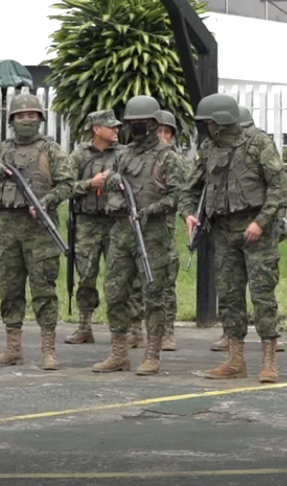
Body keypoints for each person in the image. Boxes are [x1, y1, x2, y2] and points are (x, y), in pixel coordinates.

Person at [182, 93, 287, 383]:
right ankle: (235, 360)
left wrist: (260, 222)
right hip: (222, 230)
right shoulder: (208, 149)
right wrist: (188, 213)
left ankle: (269, 361)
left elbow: (278, 187)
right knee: (229, 297)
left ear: (223, 121)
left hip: (256, 230)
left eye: (210, 122)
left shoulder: (259, 144)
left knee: (263, 295)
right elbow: (190, 188)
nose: (207, 128)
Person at [91, 97, 187, 375]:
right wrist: (112, 180)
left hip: (154, 234)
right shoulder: (124, 154)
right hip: (123, 231)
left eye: (141, 123)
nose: (136, 128)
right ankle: (119, 352)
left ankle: (153, 354)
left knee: (154, 294)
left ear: (154, 123)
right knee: (115, 291)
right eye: (132, 124)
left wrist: (151, 210)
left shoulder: (168, 157)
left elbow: (178, 195)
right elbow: (112, 180)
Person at [0, 94, 74, 371]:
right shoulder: (1, 149)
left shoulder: (51, 150)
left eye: (31, 116)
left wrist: (47, 201)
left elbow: (67, 184)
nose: (26, 121)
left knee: (43, 287)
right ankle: (13, 347)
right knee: (10, 288)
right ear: (12, 120)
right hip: (7, 226)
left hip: (39, 228)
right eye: (21, 117)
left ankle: (48, 349)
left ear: (40, 119)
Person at [64, 110, 124, 345]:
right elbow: (64, 187)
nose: (116, 130)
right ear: (97, 129)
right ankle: (84, 325)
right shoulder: (79, 155)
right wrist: (90, 184)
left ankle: (129, 328)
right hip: (87, 222)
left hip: (114, 221)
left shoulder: (123, 154)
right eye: (111, 127)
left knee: (121, 276)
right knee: (86, 275)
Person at [155, 110, 184, 351]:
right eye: (158, 132)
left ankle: (167, 332)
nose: (163, 136)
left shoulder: (173, 160)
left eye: (167, 132)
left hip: (163, 227)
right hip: (135, 226)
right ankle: (135, 329)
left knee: (166, 281)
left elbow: (177, 195)